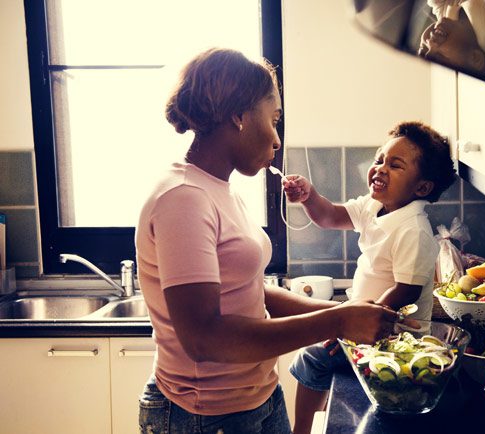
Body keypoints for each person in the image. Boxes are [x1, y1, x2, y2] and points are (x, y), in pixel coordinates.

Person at [134, 47, 401, 434]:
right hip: (204, 415)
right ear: (239, 116)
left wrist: (336, 312)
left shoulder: (220, 189)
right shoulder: (183, 198)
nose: (276, 139)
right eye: (273, 119)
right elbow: (203, 338)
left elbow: (250, 292)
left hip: (257, 397)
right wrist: (337, 319)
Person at [282, 121, 457, 434]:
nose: (380, 169)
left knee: (311, 357)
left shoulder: (413, 229)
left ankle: (300, 430)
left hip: (393, 336)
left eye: (395, 165)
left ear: (422, 188)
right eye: (380, 159)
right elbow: (329, 216)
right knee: (316, 351)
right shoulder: (375, 205)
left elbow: (406, 291)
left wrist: (354, 324)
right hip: (363, 321)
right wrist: (310, 196)